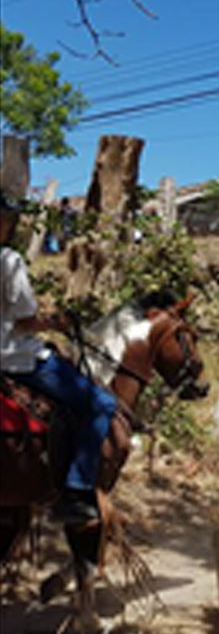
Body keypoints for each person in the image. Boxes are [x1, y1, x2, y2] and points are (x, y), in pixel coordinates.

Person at [1, 193, 117, 526]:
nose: (10, 227)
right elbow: (24, 320)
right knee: (101, 405)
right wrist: (56, 323)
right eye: (8, 220)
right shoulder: (9, 260)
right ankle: (76, 490)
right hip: (13, 358)